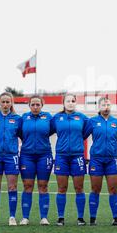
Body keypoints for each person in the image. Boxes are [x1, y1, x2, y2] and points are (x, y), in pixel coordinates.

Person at [50, 93, 89, 226]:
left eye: (73, 101)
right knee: (62, 188)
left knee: (79, 187)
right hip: (61, 156)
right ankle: (61, 217)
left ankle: (80, 218)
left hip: (77, 156)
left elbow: (86, 132)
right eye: (68, 101)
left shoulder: (82, 118)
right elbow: (49, 131)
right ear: (63, 103)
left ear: (76, 103)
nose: (70, 103)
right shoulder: (56, 118)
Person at [84, 97, 117, 226]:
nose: (106, 107)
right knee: (95, 189)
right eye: (103, 105)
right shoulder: (92, 121)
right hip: (96, 160)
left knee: (113, 189)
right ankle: (93, 218)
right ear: (98, 107)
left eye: (108, 104)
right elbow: (83, 135)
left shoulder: (116, 122)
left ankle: (116, 218)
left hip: (111, 160)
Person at [0, 92, 22, 226]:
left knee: (12, 187)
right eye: (3, 102)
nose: (6, 104)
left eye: (8, 102)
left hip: (11, 156)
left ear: (11, 103)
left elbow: (21, 135)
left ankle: (12, 217)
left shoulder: (18, 119)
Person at [19, 96, 54, 226]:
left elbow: (52, 130)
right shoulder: (23, 118)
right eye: (33, 104)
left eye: (37, 104)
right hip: (27, 156)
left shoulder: (48, 117)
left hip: (44, 155)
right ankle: (25, 217)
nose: (35, 107)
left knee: (43, 186)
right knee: (27, 186)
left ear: (42, 105)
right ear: (29, 105)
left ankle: (44, 217)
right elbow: (19, 133)